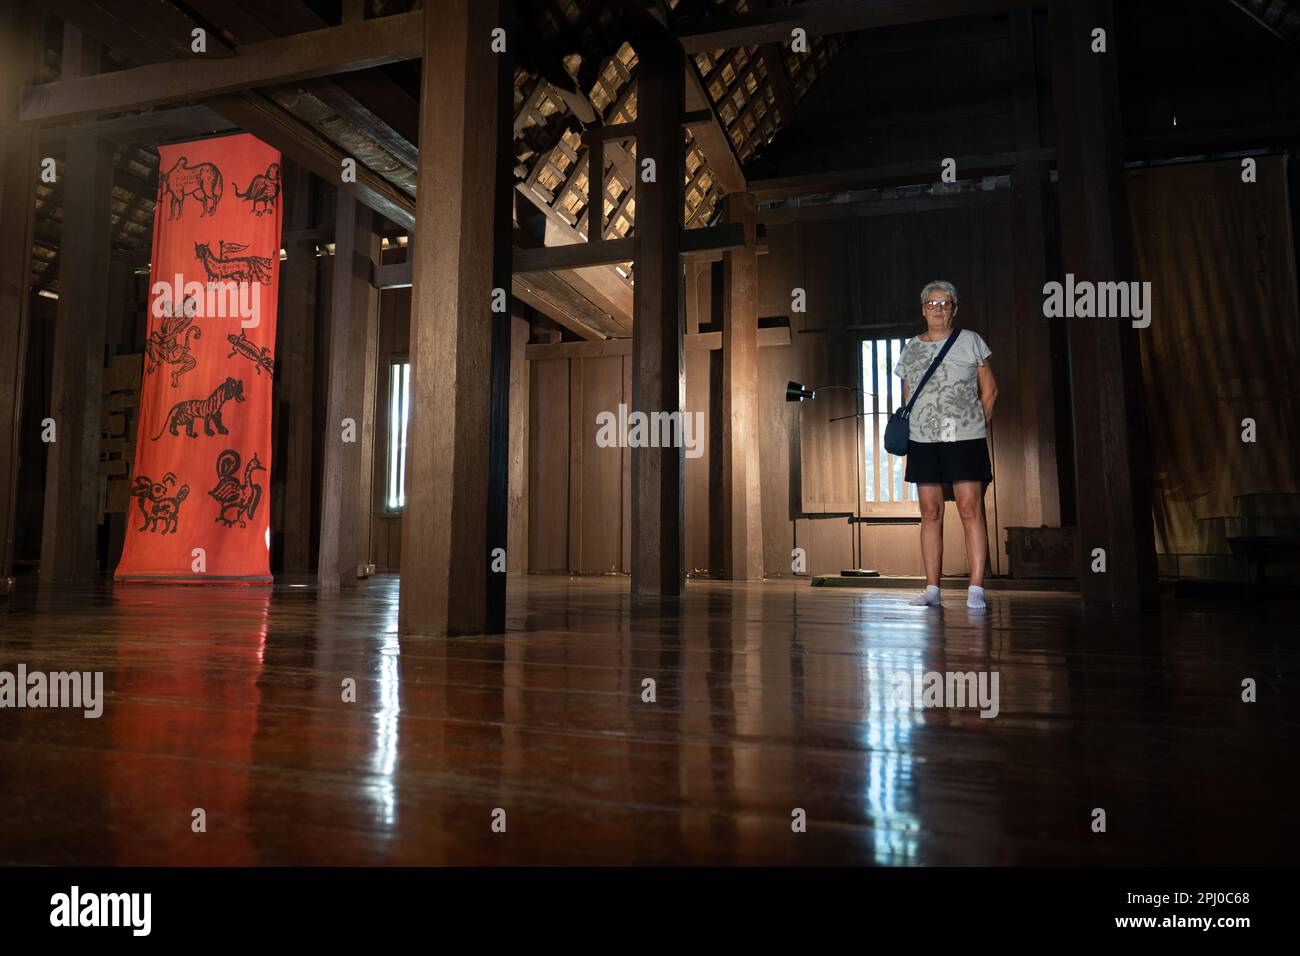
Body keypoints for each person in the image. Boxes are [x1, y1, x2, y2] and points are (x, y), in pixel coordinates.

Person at [892, 281, 998, 609]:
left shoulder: (971, 341)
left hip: (965, 437)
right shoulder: (911, 347)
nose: (938, 309)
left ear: (954, 309)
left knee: (970, 509)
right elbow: (908, 393)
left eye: (945, 303)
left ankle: (976, 588)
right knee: (930, 512)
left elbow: (990, 391)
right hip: (923, 439)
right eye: (932, 303)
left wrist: (976, 426)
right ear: (923, 309)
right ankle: (932, 590)